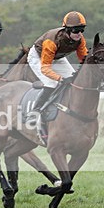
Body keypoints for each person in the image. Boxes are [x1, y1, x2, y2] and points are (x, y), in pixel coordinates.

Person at [27, 11, 89, 141]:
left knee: (74, 80)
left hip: (57, 57)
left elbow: (84, 60)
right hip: (38, 57)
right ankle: (35, 111)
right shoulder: (51, 41)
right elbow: (45, 68)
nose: (79, 34)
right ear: (67, 30)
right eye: (76, 30)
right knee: (52, 83)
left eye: (81, 30)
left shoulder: (80, 39)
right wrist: (60, 78)